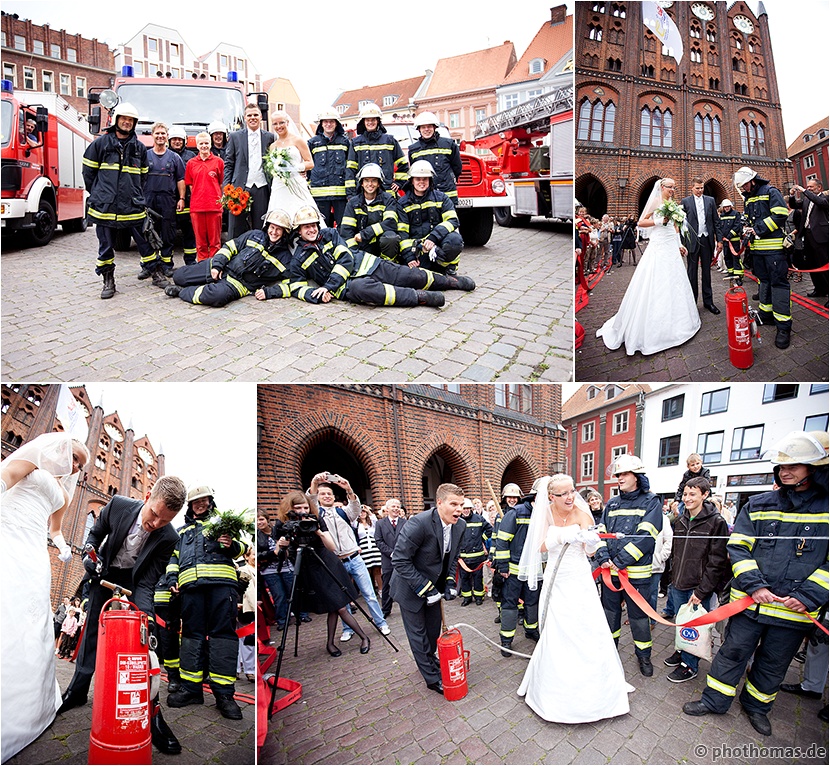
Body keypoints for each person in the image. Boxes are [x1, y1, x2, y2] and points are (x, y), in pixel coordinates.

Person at [683, 431, 828, 736]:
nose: (784, 472)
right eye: (781, 467)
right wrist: (755, 586)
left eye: (793, 466)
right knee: (732, 653)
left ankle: (757, 707)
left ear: (815, 468)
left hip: (793, 611)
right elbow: (738, 546)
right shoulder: (759, 504)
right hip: (750, 604)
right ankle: (714, 700)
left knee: (774, 664)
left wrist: (808, 595)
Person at [57, 475, 186, 756]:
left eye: (164, 521)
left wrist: (145, 617)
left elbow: (148, 581)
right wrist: (89, 555)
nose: (155, 524)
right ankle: (78, 691)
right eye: (154, 514)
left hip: (134, 581)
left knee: (140, 644)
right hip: (104, 574)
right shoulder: (117, 505)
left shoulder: (169, 537)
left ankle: (153, 714)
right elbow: (94, 536)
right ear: (148, 494)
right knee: (92, 632)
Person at [1, 433, 89, 762]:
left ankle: (29, 707)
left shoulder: (64, 494)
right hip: (8, 533)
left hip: (34, 551)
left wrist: (64, 546)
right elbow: (7, 475)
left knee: (31, 616)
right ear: (60, 448)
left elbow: (55, 529)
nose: (76, 465)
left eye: (81, 464)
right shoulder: (34, 458)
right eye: (74, 457)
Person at [516, 475, 632, 723]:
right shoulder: (545, 513)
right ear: (551, 496)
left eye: (572, 491)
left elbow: (591, 550)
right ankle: (552, 688)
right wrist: (560, 536)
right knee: (557, 630)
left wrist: (590, 542)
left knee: (585, 628)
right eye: (563, 494)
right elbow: (539, 546)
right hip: (556, 580)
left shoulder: (583, 513)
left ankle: (596, 691)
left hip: (578, 579)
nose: (570, 497)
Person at [163, 485, 245, 720]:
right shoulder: (180, 533)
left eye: (204, 500)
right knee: (191, 637)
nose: (200, 504)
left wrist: (231, 544)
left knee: (223, 637)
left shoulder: (222, 524)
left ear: (210, 501)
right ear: (190, 506)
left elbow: (243, 549)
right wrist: (171, 580)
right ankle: (191, 689)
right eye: (195, 501)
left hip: (222, 586)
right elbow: (173, 560)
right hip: (191, 590)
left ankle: (224, 695)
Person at [289, 206, 475, 309]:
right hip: (348, 287)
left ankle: (450, 282)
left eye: (313, 225)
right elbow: (295, 287)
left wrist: (328, 286)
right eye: (306, 227)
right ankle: (420, 297)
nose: (312, 229)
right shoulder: (298, 258)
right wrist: (317, 296)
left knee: (411, 276)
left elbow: (345, 258)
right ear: (299, 230)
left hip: (367, 264)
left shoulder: (329, 234)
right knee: (371, 292)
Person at [596, 178, 701, 355]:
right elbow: (641, 222)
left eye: (674, 187)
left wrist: (679, 244)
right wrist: (658, 222)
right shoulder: (656, 201)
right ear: (662, 187)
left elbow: (675, 226)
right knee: (656, 282)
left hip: (670, 245)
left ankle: (680, 324)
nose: (673, 190)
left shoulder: (672, 203)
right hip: (659, 245)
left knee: (675, 281)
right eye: (670, 187)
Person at [82, 101, 166, 298]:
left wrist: (135, 194)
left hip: (132, 205)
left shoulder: (138, 148)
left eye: (130, 120)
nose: (127, 122)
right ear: (116, 120)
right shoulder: (99, 145)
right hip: (105, 207)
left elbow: (143, 177)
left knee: (146, 242)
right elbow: (88, 174)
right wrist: (99, 194)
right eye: (124, 119)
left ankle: (155, 272)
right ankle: (108, 280)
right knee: (105, 247)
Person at [390, 483, 466, 693]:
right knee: (419, 636)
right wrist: (426, 589)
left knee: (433, 632)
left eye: (461, 504)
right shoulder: (419, 523)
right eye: (453, 504)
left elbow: (452, 558)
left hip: (434, 588)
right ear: (439, 502)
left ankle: (429, 661)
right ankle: (432, 679)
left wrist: (450, 581)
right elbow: (399, 560)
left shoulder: (460, 526)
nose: (459, 509)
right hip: (409, 588)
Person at [276, 489, 370, 657]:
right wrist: (283, 544)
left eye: (305, 507)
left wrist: (317, 530)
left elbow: (332, 547)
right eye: (298, 508)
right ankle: (330, 643)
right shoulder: (281, 524)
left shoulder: (316, 519)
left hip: (326, 564)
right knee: (332, 607)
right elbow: (278, 553)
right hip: (306, 569)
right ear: (289, 508)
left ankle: (363, 637)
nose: (303, 512)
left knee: (340, 607)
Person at [594, 453, 663, 677]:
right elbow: (601, 533)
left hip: (637, 576)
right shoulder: (612, 503)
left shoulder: (651, 502)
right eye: (618, 474)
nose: (619, 478)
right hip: (611, 574)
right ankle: (609, 653)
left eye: (624, 473)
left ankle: (643, 656)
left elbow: (646, 537)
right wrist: (603, 557)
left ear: (637, 476)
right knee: (610, 614)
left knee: (638, 618)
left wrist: (618, 561)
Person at [305, 474, 391, 641]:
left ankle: (380, 622)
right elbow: (310, 501)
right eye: (323, 494)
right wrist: (314, 483)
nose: (327, 496)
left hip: (355, 559)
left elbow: (355, 508)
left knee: (369, 594)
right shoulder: (317, 513)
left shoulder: (343, 512)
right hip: (334, 562)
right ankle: (348, 628)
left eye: (329, 493)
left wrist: (348, 489)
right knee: (343, 599)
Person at [663, 477, 730, 683]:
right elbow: (676, 551)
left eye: (693, 494)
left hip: (698, 586)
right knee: (681, 621)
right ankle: (681, 652)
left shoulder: (716, 522)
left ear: (705, 495)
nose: (687, 498)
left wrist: (702, 591)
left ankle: (689, 665)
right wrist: (672, 578)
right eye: (685, 494)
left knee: (694, 626)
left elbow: (716, 561)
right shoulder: (681, 519)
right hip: (678, 581)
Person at [164, 208, 294, 306]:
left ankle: (182, 291)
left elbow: (291, 284)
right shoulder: (255, 235)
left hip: (238, 285)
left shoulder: (285, 258)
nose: (274, 232)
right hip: (223, 267)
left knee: (217, 296)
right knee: (179, 276)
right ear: (267, 226)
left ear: (284, 233)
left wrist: (269, 293)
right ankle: (200, 282)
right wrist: (217, 265)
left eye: (278, 229)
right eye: (272, 227)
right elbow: (230, 247)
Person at [734, 165, 792, 349]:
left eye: (744, 186)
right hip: (758, 250)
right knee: (763, 282)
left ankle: (783, 327)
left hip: (774, 250)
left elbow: (781, 215)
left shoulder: (770, 191)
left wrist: (757, 229)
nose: (743, 189)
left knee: (778, 284)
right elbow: (750, 219)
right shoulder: (749, 198)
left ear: (752, 180)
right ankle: (766, 315)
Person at [494, 481, 542, 657]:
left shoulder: (545, 514)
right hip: (514, 570)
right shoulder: (516, 513)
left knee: (532, 601)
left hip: (535, 571)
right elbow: (502, 540)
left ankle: (531, 630)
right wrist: (504, 566)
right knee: (510, 603)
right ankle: (506, 639)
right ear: (536, 496)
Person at [397, 161, 465, 275]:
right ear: (412, 181)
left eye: (425, 179)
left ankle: (446, 267)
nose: (422, 182)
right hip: (417, 250)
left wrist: (433, 238)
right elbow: (402, 234)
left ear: (430, 180)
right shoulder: (402, 204)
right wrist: (409, 257)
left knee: (455, 240)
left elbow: (452, 220)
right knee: (417, 274)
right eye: (418, 179)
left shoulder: (441, 198)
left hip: (436, 245)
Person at [223, 103, 274, 238]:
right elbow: (229, 163)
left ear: (261, 116)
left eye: (255, 115)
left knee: (261, 226)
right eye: (249, 115)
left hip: (262, 187)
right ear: (245, 118)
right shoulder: (235, 137)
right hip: (239, 187)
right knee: (236, 227)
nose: (252, 118)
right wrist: (226, 187)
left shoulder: (269, 137)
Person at [143, 123, 186, 278]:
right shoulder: (145, 156)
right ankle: (148, 266)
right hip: (148, 200)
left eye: (163, 133)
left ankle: (167, 265)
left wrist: (181, 198)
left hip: (168, 200)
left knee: (167, 233)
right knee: (147, 233)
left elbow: (181, 180)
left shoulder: (175, 158)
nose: (160, 136)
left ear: (167, 136)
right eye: (157, 133)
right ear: (152, 136)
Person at [265, 110, 319, 222]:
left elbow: (310, 163)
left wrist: (295, 168)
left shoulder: (298, 140)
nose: (278, 126)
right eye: (275, 124)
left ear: (287, 123)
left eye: (281, 123)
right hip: (279, 185)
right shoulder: (273, 146)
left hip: (296, 182)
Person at [340, 163, 401, 261]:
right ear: (362, 183)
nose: (370, 184)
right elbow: (346, 232)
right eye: (366, 181)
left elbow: (391, 222)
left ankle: (388, 266)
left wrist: (366, 234)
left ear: (379, 183)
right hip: (362, 246)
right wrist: (355, 255)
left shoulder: (388, 199)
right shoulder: (353, 203)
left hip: (381, 245)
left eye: (374, 181)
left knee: (391, 238)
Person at [345, 103, 407, 196]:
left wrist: (399, 183)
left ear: (378, 121)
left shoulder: (390, 141)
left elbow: (403, 164)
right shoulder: (356, 143)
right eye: (368, 120)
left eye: (373, 119)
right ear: (363, 122)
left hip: (387, 192)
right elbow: (350, 170)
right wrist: (351, 194)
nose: (370, 122)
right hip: (364, 193)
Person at [681, 177, 721, 315]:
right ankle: (692, 303)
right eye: (697, 188)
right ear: (692, 188)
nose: (700, 190)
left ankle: (708, 302)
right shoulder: (685, 202)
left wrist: (719, 240)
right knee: (692, 272)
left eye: (702, 188)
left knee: (706, 272)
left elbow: (716, 221)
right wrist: (682, 243)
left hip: (706, 240)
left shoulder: (710, 201)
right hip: (692, 241)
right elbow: (681, 224)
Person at [185, 132, 224, 262]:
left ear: (210, 144)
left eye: (206, 143)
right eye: (201, 143)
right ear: (197, 146)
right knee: (200, 242)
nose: (204, 146)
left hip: (214, 206)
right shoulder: (191, 163)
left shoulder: (218, 162)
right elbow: (190, 185)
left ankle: (215, 265)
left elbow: (221, 183)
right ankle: (202, 265)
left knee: (215, 242)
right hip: (197, 207)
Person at [408, 111, 462, 204]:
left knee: (450, 218)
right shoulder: (414, 149)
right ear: (419, 129)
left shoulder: (449, 144)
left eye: (429, 126)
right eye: (423, 127)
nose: (426, 129)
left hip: (447, 194)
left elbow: (457, 167)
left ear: (434, 127)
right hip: (424, 196)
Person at [308, 109, 350, 227]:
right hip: (319, 195)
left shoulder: (345, 142)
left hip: (341, 195)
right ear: (321, 124)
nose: (328, 124)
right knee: (322, 227)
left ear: (336, 123)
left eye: (331, 121)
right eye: (325, 122)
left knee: (344, 226)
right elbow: (308, 166)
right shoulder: (312, 143)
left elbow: (351, 166)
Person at [789, 179, 829, 299]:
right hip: (807, 236)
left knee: (824, 265)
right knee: (812, 264)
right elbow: (794, 205)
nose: (809, 188)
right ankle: (819, 289)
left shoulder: (825, 198)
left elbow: (820, 202)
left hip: (821, 237)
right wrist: (791, 195)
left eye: (811, 187)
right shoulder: (807, 199)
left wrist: (804, 191)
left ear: (819, 187)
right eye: (808, 186)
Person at [167, 126, 198, 265]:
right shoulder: (165, 155)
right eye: (174, 139)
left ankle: (190, 262)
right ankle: (167, 264)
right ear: (169, 141)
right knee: (168, 234)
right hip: (169, 199)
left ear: (184, 141)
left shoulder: (191, 156)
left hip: (188, 200)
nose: (177, 142)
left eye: (180, 139)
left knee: (189, 232)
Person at [374, 498, 407, 619]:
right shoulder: (380, 524)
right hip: (388, 560)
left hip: (403, 559)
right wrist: (391, 553)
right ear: (387, 509)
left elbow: (408, 539)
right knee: (387, 584)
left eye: (398, 506)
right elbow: (378, 541)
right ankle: (386, 609)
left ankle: (406, 608)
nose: (396, 509)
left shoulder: (405, 522)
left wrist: (400, 553)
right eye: (393, 506)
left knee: (405, 584)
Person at [457, 497, 493, 606]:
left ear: (471, 509)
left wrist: (481, 538)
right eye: (464, 508)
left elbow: (490, 530)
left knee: (478, 578)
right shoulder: (457, 521)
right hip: (463, 557)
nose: (466, 510)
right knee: (465, 578)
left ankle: (478, 597)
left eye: (468, 508)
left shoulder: (479, 518)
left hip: (477, 556)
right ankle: (467, 598)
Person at [355, 506, 383, 594]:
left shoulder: (371, 523)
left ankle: (381, 590)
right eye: (360, 512)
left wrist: (368, 510)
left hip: (374, 547)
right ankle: (369, 590)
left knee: (377, 569)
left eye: (363, 512)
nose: (362, 513)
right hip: (364, 548)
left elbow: (375, 519)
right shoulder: (356, 524)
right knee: (367, 570)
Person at [717, 199, 744, 284]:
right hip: (725, 241)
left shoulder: (736, 214)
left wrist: (729, 236)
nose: (727, 208)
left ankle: (739, 276)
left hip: (734, 241)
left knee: (735, 258)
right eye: (725, 207)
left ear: (730, 206)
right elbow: (720, 228)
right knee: (727, 257)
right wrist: (721, 238)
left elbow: (737, 226)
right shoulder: (722, 216)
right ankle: (731, 272)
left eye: (728, 207)